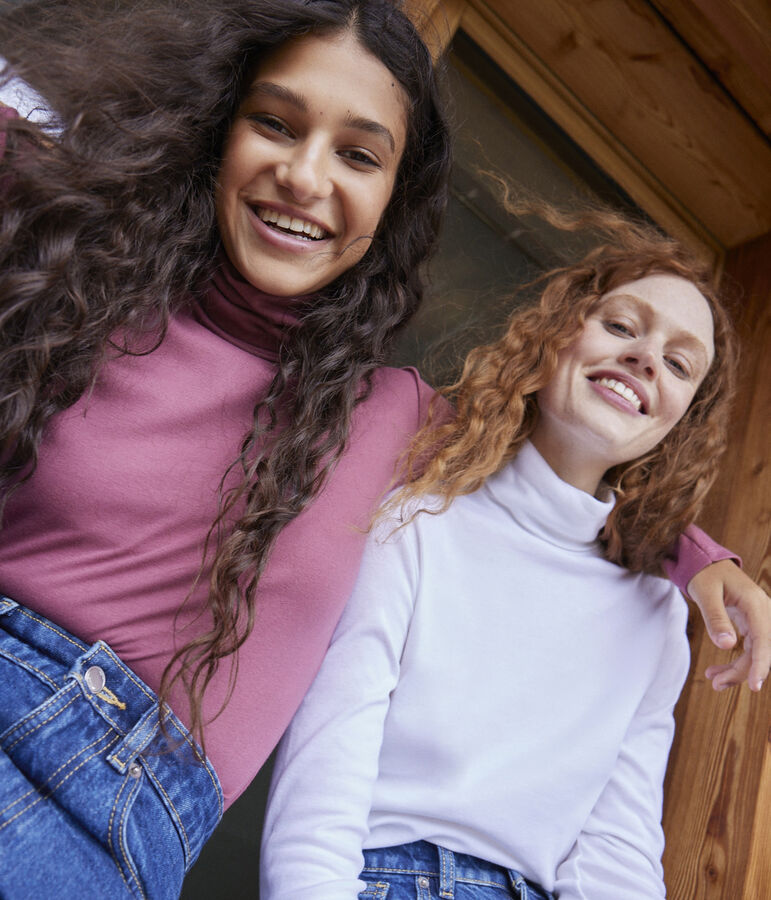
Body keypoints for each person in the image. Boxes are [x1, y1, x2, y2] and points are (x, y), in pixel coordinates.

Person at [0, 0, 766, 897]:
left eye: (358, 154)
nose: (304, 173)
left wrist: (704, 559)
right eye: (275, 124)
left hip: (123, 838)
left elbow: (573, 449)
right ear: (218, 132)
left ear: (394, 199)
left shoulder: (400, 415)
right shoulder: (83, 291)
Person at [258, 209, 749, 900]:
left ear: (678, 422)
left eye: (677, 363)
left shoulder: (657, 611)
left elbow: (618, 844)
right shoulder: (418, 520)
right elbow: (330, 756)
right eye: (620, 325)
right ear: (555, 337)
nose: (644, 358)